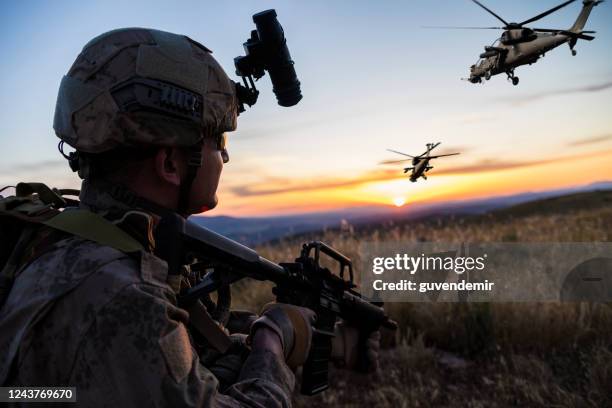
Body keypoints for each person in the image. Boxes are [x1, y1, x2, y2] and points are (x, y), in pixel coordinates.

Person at [0, 28, 379, 407]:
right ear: (169, 163)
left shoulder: (69, 234)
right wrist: (273, 338)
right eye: (220, 142)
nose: (225, 158)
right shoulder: (121, 294)